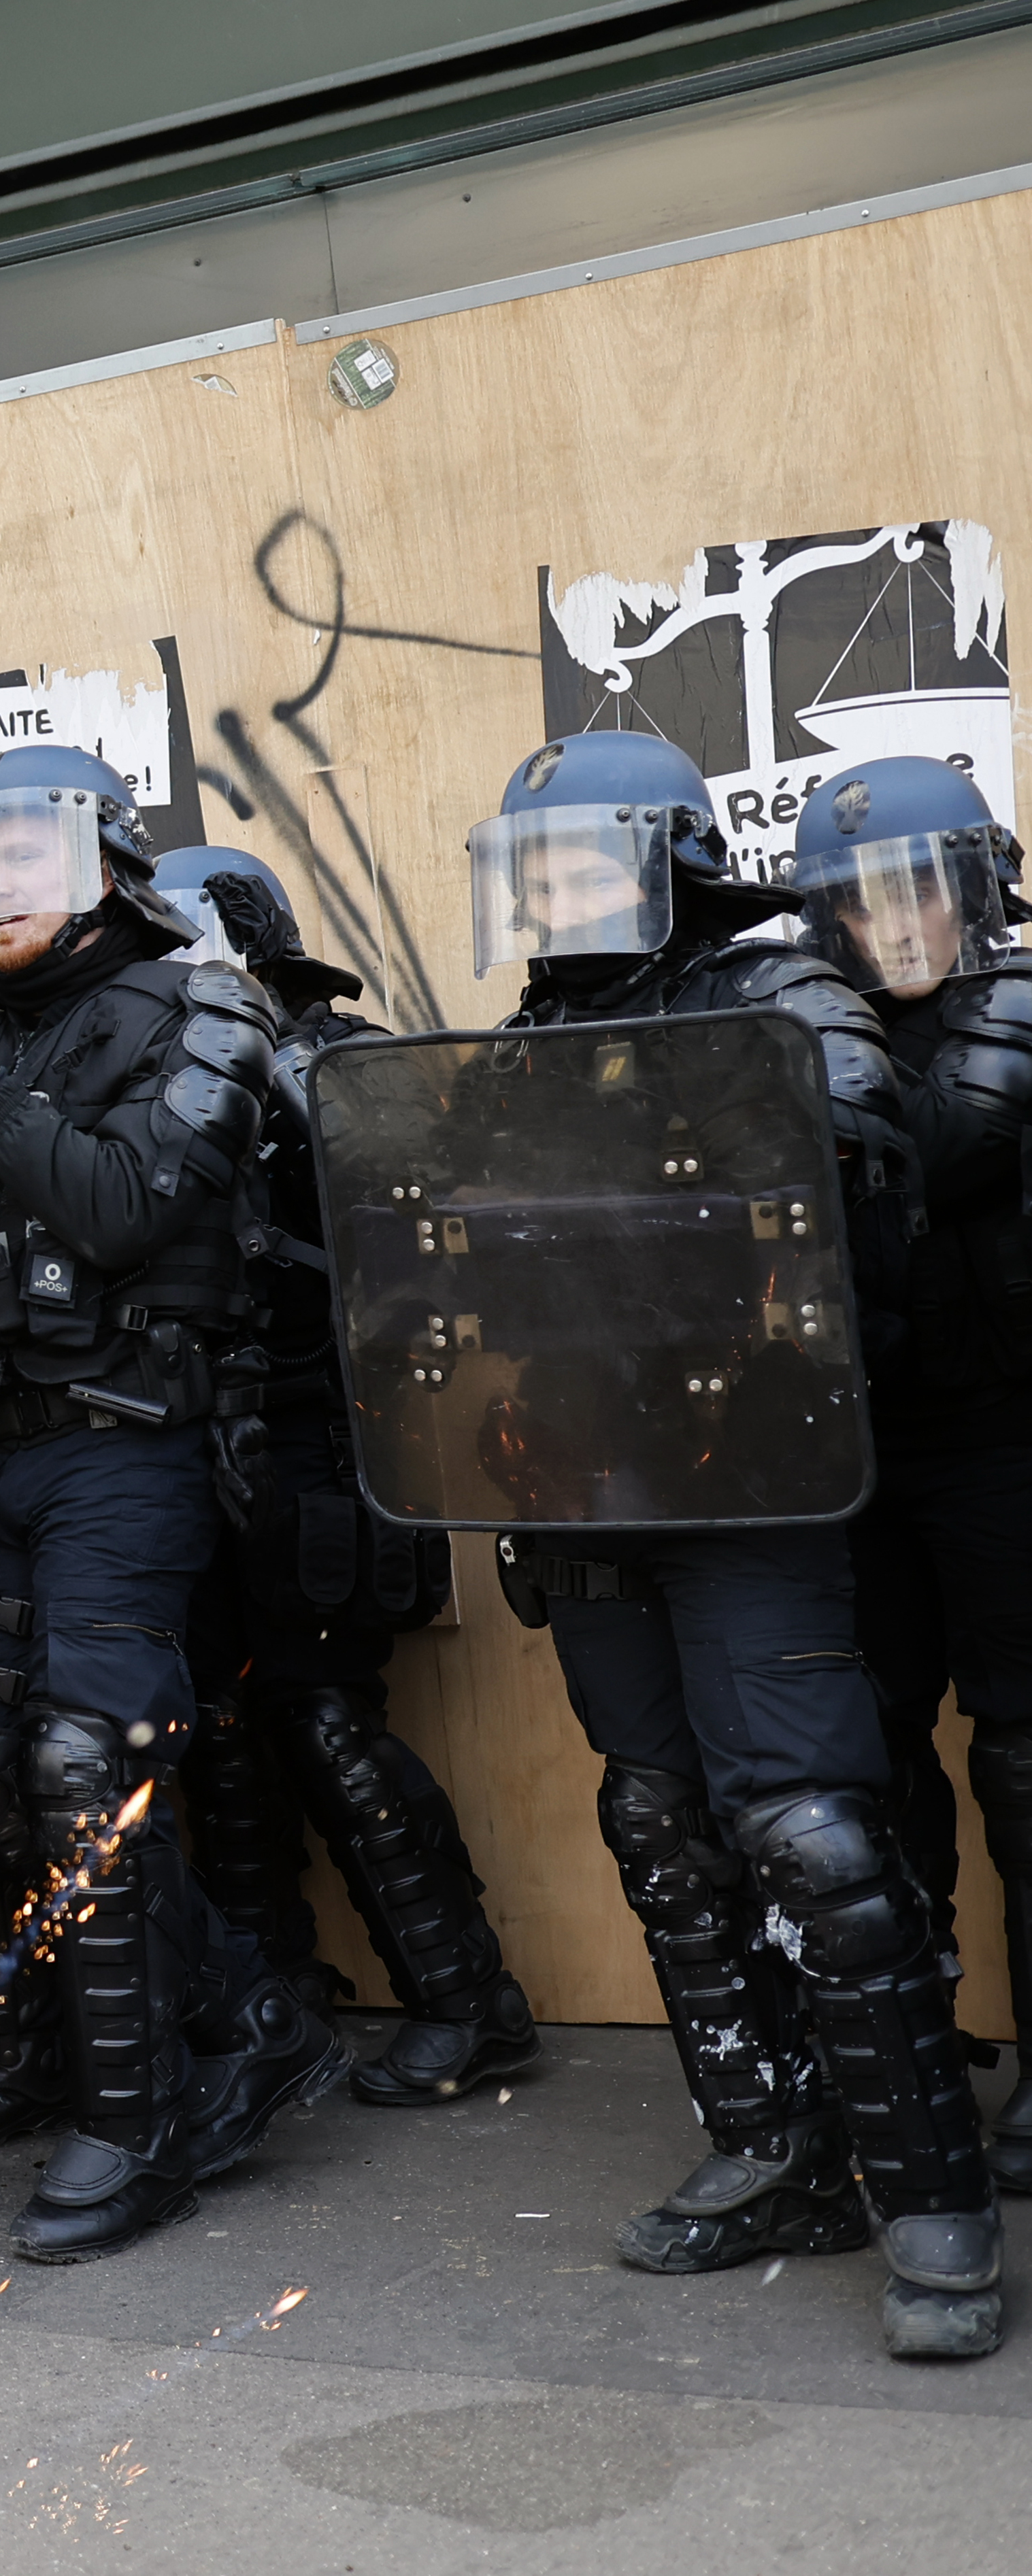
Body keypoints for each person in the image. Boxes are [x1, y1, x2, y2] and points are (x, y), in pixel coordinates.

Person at [467, 730, 996, 2358]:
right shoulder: (520, 1039)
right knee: (658, 1817)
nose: (553, 897)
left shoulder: (787, 994)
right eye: (531, 869)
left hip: (749, 1479)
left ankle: (933, 2202)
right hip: (590, 1491)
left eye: (579, 863)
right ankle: (773, 2146)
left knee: (814, 1835)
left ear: (674, 856)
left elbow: (842, 1164)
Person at [0, 746, 345, 2263]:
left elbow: (125, 1208)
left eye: (29, 850)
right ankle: (219, 2021)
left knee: (80, 1761)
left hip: (133, 1444)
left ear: (109, 857)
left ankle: (141, 2116)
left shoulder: (202, 1006)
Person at [149, 843, 537, 2103]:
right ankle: (280, 1990)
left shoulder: (327, 1061)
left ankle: (465, 2000)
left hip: (320, 1433)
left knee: (325, 1721)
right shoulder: (147, 1067)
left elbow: (421, 1232)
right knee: (218, 1725)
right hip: (192, 1440)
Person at [795, 757, 1032, 2202]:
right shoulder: (813, 1026)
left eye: (920, 888)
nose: (894, 922)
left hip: (1004, 1440)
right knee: (870, 1761)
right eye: (859, 898)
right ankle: (917, 2039)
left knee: (1021, 1753)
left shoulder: (1013, 1006)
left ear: (976, 889)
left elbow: (937, 1145)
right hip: (859, 1448)